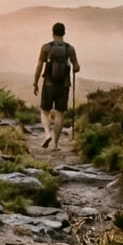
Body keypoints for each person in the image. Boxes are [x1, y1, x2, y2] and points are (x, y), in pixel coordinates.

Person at [33, 22, 80, 150]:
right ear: (64, 33)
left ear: (52, 33)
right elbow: (76, 67)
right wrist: (73, 67)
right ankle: (56, 145)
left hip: (48, 84)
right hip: (64, 85)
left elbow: (39, 67)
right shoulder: (70, 49)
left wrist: (35, 83)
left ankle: (47, 134)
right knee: (60, 114)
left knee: (45, 111)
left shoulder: (46, 47)